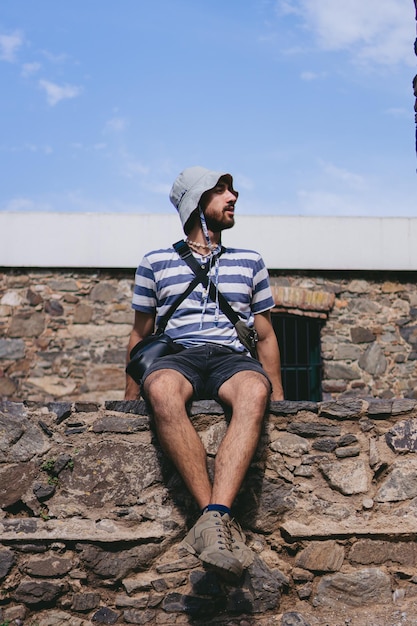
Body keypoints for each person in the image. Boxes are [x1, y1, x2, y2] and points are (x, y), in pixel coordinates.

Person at [125, 166, 284, 579]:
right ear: (197, 203)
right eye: (220, 190)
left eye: (232, 188)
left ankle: (213, 516)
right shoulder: (155, 262)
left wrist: (281, 397)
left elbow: (264, 336)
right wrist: (126, 400)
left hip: (232, 358)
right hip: (179, 355)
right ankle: (214, 519)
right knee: (159, 388)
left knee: (253, 390)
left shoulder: (250, 261)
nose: (233, 196)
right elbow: (140, 335)